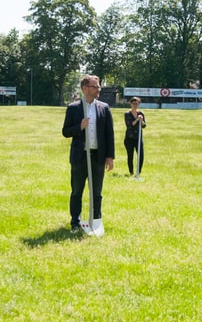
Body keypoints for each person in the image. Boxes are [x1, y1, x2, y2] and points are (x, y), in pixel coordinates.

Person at [62, 75, 115, 232]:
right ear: (85, 89)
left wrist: (110, 157)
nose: (98, 89)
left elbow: (109, 135)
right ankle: (75, 222)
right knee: (77, 191)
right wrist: (80, 126)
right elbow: (65, 131)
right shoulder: (74, 108)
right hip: (80, 157)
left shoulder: (104, 108)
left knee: (97, 192)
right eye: (95, 86)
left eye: (99, 87)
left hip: (97, 157)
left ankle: (96, 220)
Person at [123, 97, 146, 175]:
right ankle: (131, 172)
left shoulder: (141, 114)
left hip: (138, 138)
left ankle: (138, 172)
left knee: (141, 155)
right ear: (131, 104)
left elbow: (144, 126)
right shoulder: (127, 114)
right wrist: (137, 119)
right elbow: (129, 125)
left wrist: (141, 120)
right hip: (129, 138)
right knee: (130, 155)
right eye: (133, 103)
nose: (135, 105)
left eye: (137, 103)